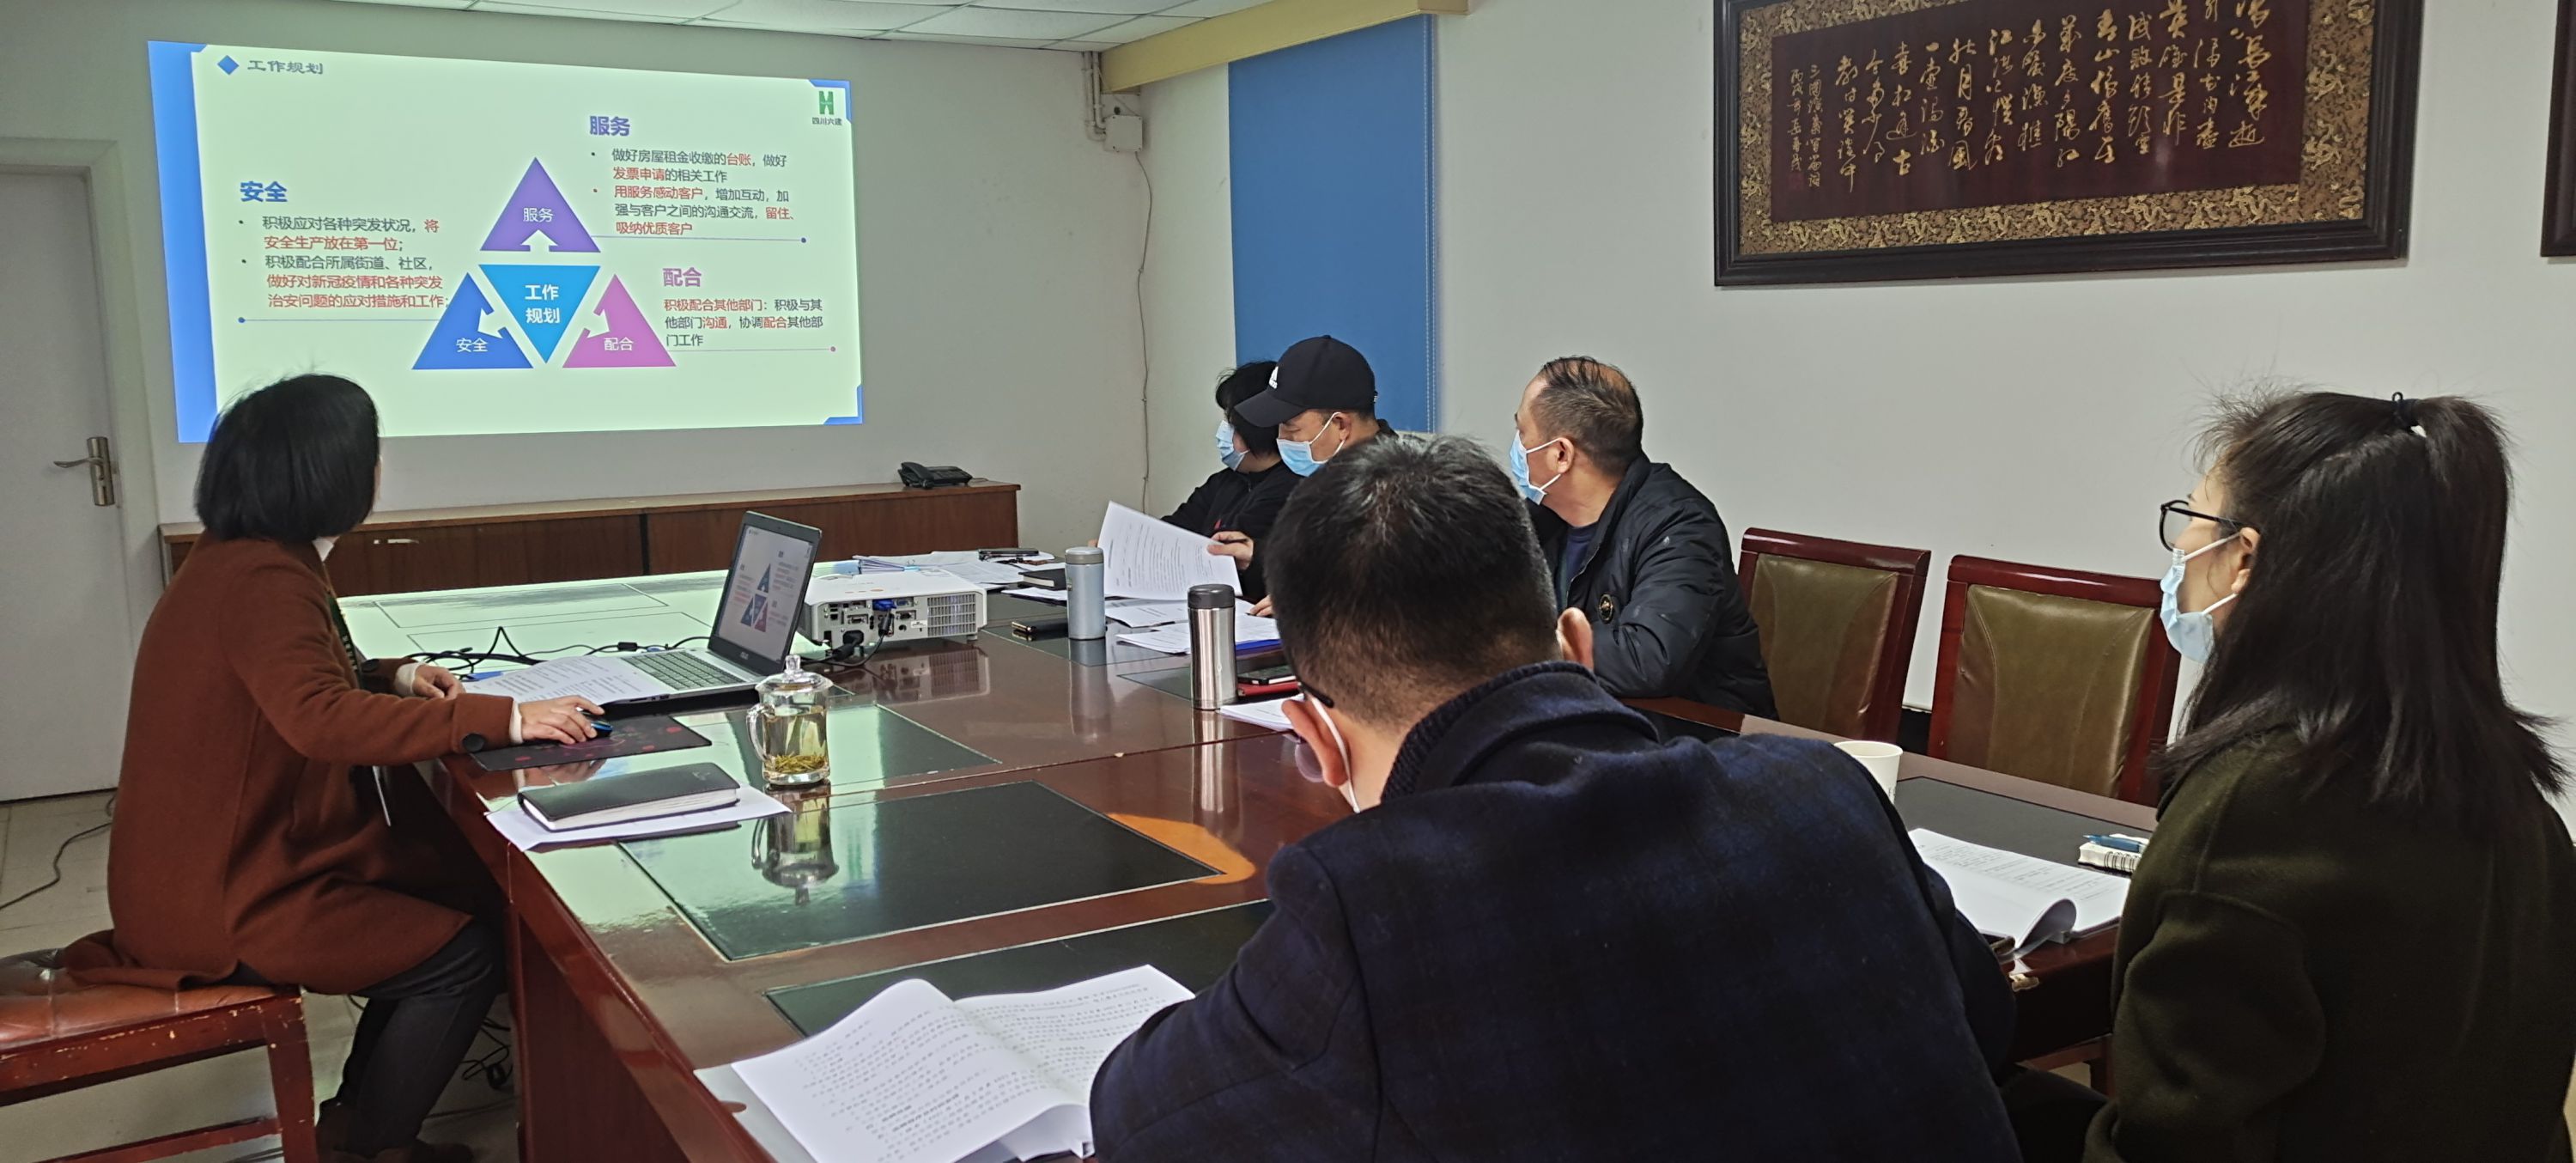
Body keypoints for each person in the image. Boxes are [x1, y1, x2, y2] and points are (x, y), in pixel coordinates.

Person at [1091, 436, 2018, 1160]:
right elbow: (1987, 1020)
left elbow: (1140, 1122)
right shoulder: (1823, 786)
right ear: (1577, 645)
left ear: (1317, 739)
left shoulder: (1370, 905)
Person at [65, 375, 602, 1163]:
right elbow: (317, 719)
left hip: (204, 871)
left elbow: (298, 680)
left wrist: (394, 677)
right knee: (462, 957)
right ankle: (373, 1146)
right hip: (229, 898)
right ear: (331, 475)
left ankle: (358, 1117)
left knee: (455, 900)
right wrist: (506, 718)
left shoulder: (244, 559)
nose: (379, 471)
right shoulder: (263, 581)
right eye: (371, 457)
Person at [2080, 391, 2576, 1162]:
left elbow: (2176, 1138)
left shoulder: (2258, 809)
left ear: (2244, 558)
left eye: (2193, 520)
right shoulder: (2516, 797)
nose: (2181, 550)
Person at [1511, 356, 1775, 715]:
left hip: (1703, 734)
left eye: (1522, 433)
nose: (1518, 446)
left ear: (1561, 454)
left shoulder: (1681, 524)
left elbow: (1648, 659)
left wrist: (1513, 648)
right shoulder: (1541, 519)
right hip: (1587, 720)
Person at [1207, 335, 1391, 594]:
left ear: (1340, 425)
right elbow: (1315, 564)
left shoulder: (1402, 492)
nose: (1281, 438)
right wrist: (1256, 557)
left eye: (1291, 428)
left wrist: (1317, 605)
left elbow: (1390, 589)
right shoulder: (1324, 475)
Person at [1163, 362, 1297, 601]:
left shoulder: (1290, 486)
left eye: (1230, 421)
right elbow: (1176, 530)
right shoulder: (1225, 481)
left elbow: (1223, 552)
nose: (1222, 431)